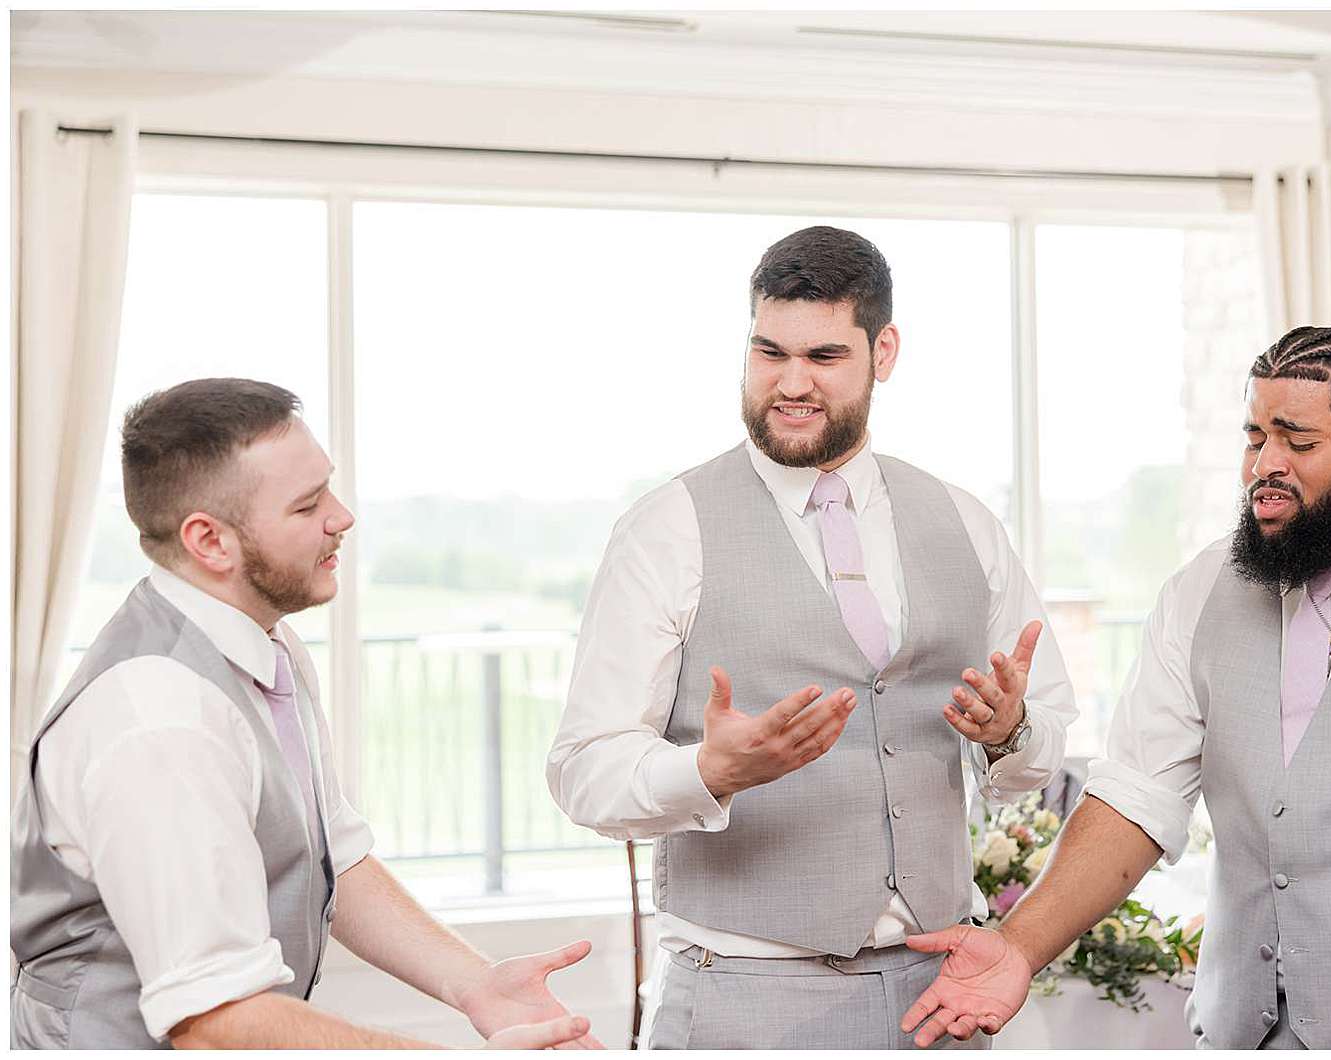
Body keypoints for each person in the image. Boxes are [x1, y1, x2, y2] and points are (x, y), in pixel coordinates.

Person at [901, 324, 1331, 1050]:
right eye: (1255, 438)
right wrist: (1019, 945)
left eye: (1299, 442)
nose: (1265, 466)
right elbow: (1133, 797)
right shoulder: (1201, 587)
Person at [546, 226, 1078, 1050]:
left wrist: (1011, 732)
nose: (790, 384)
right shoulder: (668, 529)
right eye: (769, 353)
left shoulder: (964, 523)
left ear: (884, 351)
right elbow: (583, 770)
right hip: (744, 1000)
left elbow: (1039, 749)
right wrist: (706, 770)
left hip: (943, 994)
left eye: (824, 356)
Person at [11, 379, 600, 1049]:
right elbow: (216, 1019)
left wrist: (476, 983)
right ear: (210, 542)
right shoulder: (160, 720)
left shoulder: (265, 641)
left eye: (329, 487)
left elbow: (331, 857)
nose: (342, 516)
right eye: (307, 504)